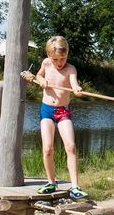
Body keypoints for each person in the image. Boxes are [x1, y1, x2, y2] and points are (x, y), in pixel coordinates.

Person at [21, 36, 88, 200]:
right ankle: (51, 182)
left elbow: (74, 83)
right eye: (56, 59)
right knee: (48, 148)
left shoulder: (70, 69)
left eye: (63, 58)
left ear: (67, 54)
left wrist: (77, 89)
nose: (59, 62)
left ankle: (75, 187)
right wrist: (41, 80)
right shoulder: (46, 63)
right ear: (49, 55)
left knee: (71, 146)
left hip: (63, 111)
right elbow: (38, 75)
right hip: (47, 111)